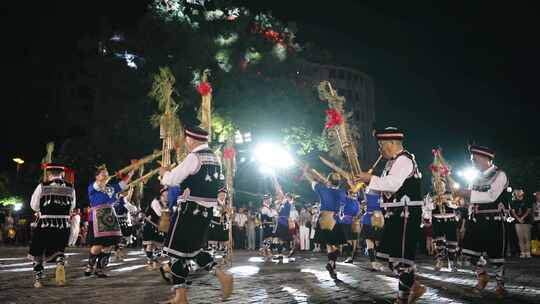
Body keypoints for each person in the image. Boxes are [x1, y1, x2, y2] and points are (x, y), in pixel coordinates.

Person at [159, 125, 233, 304]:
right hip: (205, 212)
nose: (186, 142)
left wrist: (164, 173)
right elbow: (218, 187)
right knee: (193, 251)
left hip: (188, 211)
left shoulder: (194, 157)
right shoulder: (214, 159)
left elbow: (171, 180)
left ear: (191, 140)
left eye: (187, 139)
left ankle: (182, 296)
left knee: (176, 253)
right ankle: (183, 294)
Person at [356, 127, 426, 304]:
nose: (380, 149)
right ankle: (414, 287)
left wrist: (369, 179)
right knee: (392, 258)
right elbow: (382, 187)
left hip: (406, 214)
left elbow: (393, 184)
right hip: (395, 214)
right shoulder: (390, 163)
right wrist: (362, 183)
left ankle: (402, 299)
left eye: (382, 145)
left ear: (393, 143)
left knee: (401, 258)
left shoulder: (404, 160)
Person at [455, 145, 508, 297]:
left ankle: (500, 285)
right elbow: (470, 200)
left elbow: (490, 196)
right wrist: (460, 202)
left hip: (494, 221)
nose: (472, 162)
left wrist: (465, 193)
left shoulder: (500, 175)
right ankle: (482, 277)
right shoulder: (475, 178)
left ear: (485, 158)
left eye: (474, 159)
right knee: (469, 253)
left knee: (497, 257)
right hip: (475, 220)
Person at [29, 163, 76, 288]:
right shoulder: (70, 187)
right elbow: (72, 206)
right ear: (63, 174)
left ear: (49, 174)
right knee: (59, 249)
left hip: (45, 223)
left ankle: (39, 279)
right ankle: (60, 268)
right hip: (63, 224)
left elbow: (34, 206)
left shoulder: (42, 186)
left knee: (38, 250)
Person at [85, 164, 133, 278]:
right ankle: (90, 265)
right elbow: (99, 185)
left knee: (108, 246)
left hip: (110, 217)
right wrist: (108, 178)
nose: (106, 175)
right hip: (97, 217)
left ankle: (100, 269)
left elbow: (123, 184)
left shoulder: (111, 188)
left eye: (107, 174)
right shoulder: (93, 186)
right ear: (97, 176)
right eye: (103, 174)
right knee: (97, 246)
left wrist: (132, 171)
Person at [304, 170, 346, 280]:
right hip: (335, 219)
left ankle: (332, 265)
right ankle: (332, 264)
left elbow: (312, 180)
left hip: (323, 218)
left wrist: (306, 171)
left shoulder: (322, 189)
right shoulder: (342, 192)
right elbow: (343, 204)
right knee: (335, 246)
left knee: (329, 244)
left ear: (329, 181)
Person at [143, 188, 168, 270]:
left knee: (158, 245)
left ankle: (154, 262)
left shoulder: (168, 202)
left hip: (159, 226)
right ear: (162, 194)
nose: (167, 195)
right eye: (165, 194)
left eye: (168, 194)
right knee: (150, 244)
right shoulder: (156, 201)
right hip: (150, 224)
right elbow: (159, 213)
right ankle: (149, 263)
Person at [360, 191, 385, 271]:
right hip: (377, 219)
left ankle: (374, 262)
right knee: (372, 242)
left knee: (371, 242)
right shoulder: (382, 193)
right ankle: (374, 263)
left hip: (371, 219)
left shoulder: (367, 192)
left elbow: (363, 203)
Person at [510, 189, 532, 258]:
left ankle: (528, 252)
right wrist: (518, 219)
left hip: (526, 221)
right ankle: (522, 252)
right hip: (517, 222)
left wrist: (522, 218)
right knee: (520, 238)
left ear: (522, 193)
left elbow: (528, 210)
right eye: (516, 192)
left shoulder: (527, 201)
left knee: (527, 237)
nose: (517, 193)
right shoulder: (514, 202)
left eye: (518, 192)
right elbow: (513, 212)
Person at [259, 194, 277, 259]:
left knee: (268, 239)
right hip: (267, 225)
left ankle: (265, 251)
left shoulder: (268, 208)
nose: (269, 200)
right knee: (268, 239)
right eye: (267, 199)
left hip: (269, 225)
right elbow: (264, 220)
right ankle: (265, 251)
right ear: (265, 200)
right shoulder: (264, 208)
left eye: (269, 199)